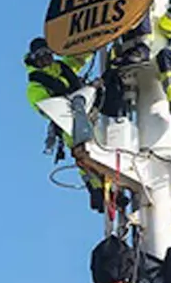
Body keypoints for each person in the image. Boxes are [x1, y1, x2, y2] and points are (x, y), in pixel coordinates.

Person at [24, 37, 109, 210]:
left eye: (47, 53)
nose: (45, 58)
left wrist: (94, 42)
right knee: (83, 151)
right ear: (33, 58)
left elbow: (78, 58)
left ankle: (108, 184)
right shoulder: (36, 83)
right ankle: (95, 189)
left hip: (88, 111)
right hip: (67, 121)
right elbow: (43, 106)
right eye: (40, 55)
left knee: (104, 142)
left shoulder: (62, 67)